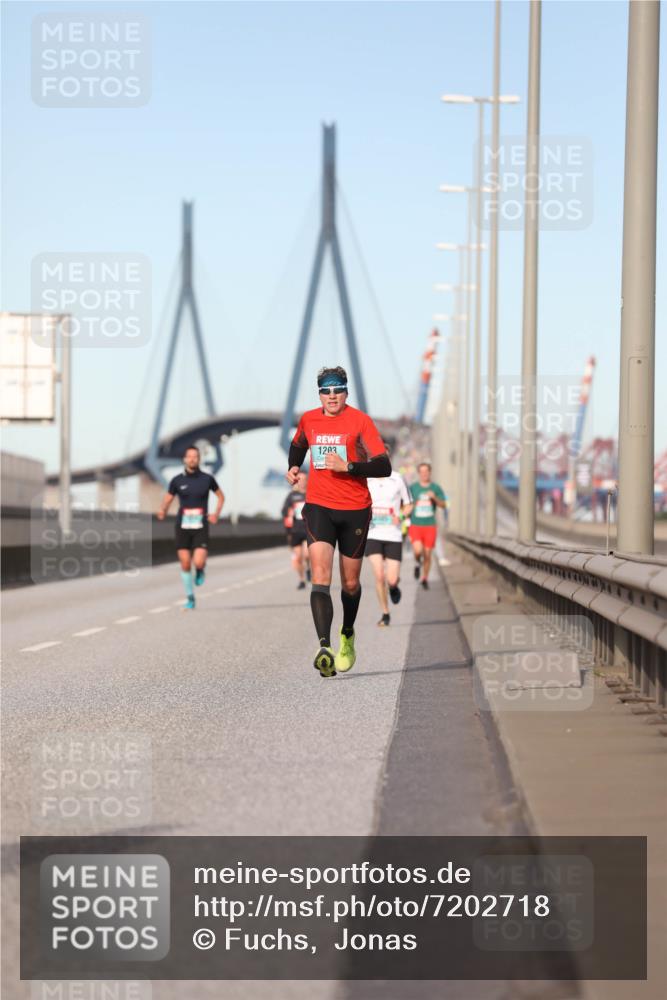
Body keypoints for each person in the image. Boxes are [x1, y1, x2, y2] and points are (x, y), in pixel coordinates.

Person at [286, 365, 390, 677]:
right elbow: (298, 445)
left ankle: (347, 634)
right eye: (326, 391)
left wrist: (350, 467)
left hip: (355, 508)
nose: (332, 396)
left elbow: (383, 466)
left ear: (346, 392)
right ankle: (324, 647)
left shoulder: (361, 421)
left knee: (350, 583)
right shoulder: (309, 419)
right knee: (320, 574)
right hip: (319, 505)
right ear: (319, 394)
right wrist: (293, 467)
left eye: (338, 390)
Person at [157, 445, 225, 610]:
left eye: (195, 456)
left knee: (198, 561)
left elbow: (221, 497)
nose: (192, 459)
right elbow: (168, 498)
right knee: (185, 563)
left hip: (201, 526)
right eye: (189, 456)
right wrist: (163, 510)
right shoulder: (177, 481)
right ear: (184, 459)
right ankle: (190, 597)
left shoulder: (207, 479)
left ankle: (200, 569)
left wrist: (216, 514)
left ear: (199, 459)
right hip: (183, 526)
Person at [365, 448, 413, 626]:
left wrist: (400, 516)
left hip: (393, 534)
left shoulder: (398, 479)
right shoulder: (366, 479)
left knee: (391, 579)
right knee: (379, 576)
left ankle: (393, 586)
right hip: (373, 533)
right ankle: (385, 613)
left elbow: (409, 504)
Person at [409, 462, 447, 590]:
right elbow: (406, 504)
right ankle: (417, 563)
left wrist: (434, 498)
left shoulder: (436, 488)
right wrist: (413, 504)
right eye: (422, 471)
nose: (424, 474)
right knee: (417, 551)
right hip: (416, 525)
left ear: (430, 472)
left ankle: (424, 578)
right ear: (419, 473)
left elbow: (444, 505)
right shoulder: (413, 488)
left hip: (430, 526)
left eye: (426, 471)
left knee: (427, 554)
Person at [281, 470, 310, 589]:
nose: (302, 482)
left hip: (309, 530)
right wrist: (289, 513)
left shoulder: (311, 494)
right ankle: (302, 580)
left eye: (304, 479)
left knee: (307, 555)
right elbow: (284, 512)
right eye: (300, 480)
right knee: (298, 558)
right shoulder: (292, 496)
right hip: (295, 530)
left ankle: (308, 568)